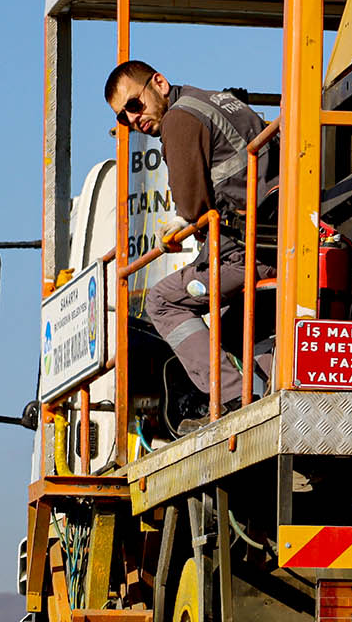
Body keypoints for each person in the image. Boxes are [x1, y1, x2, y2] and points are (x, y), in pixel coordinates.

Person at [104, 60, 275, 424]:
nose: (133, 119)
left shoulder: (179, 119)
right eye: (123, 118)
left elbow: (192, 206)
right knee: (232, 326)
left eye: (134, 105)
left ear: (159, 84)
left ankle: (231, 401)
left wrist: (177, 227)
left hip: (245, 250)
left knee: (162, 301)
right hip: (274, 239)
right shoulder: (216, 101)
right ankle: (269, 391)